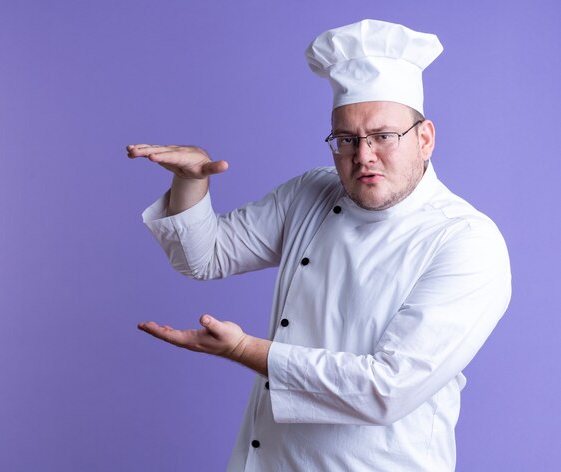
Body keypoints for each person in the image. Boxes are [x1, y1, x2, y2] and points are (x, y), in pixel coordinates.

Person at [128, 19, 511, 472]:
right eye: (346, 139)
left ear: (424, 138)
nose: (363, 155)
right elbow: (205, 257)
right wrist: (188, 183)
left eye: (383, 136)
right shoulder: (314, 193)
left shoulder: (466, 241)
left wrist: (243, 350)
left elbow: (386, 389)